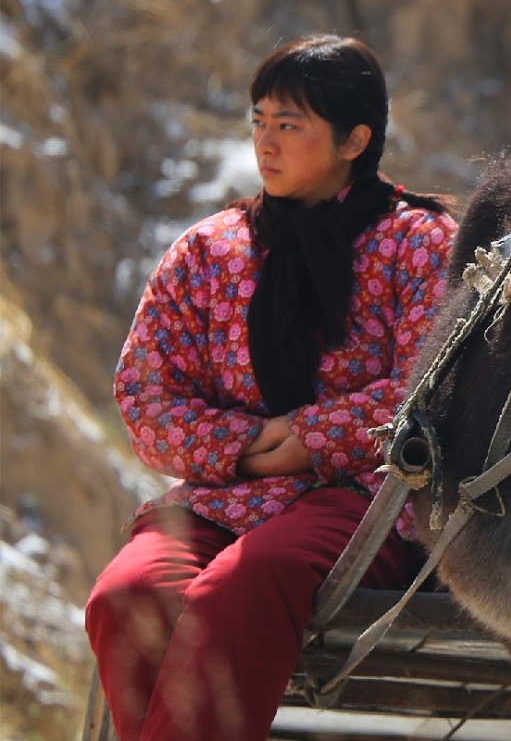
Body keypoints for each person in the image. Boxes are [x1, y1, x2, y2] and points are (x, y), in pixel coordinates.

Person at [84, 36, 456, 741]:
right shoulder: (210, 250)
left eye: (289, 124)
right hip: (225, 493)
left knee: (241, 588)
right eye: (259, 121)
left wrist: (314, 438)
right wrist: (254, 447)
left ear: (355, 139)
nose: (266, 142)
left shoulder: (420, 243)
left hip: (364, 502)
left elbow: (433, 385)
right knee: (127, 596)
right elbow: (145, 395)